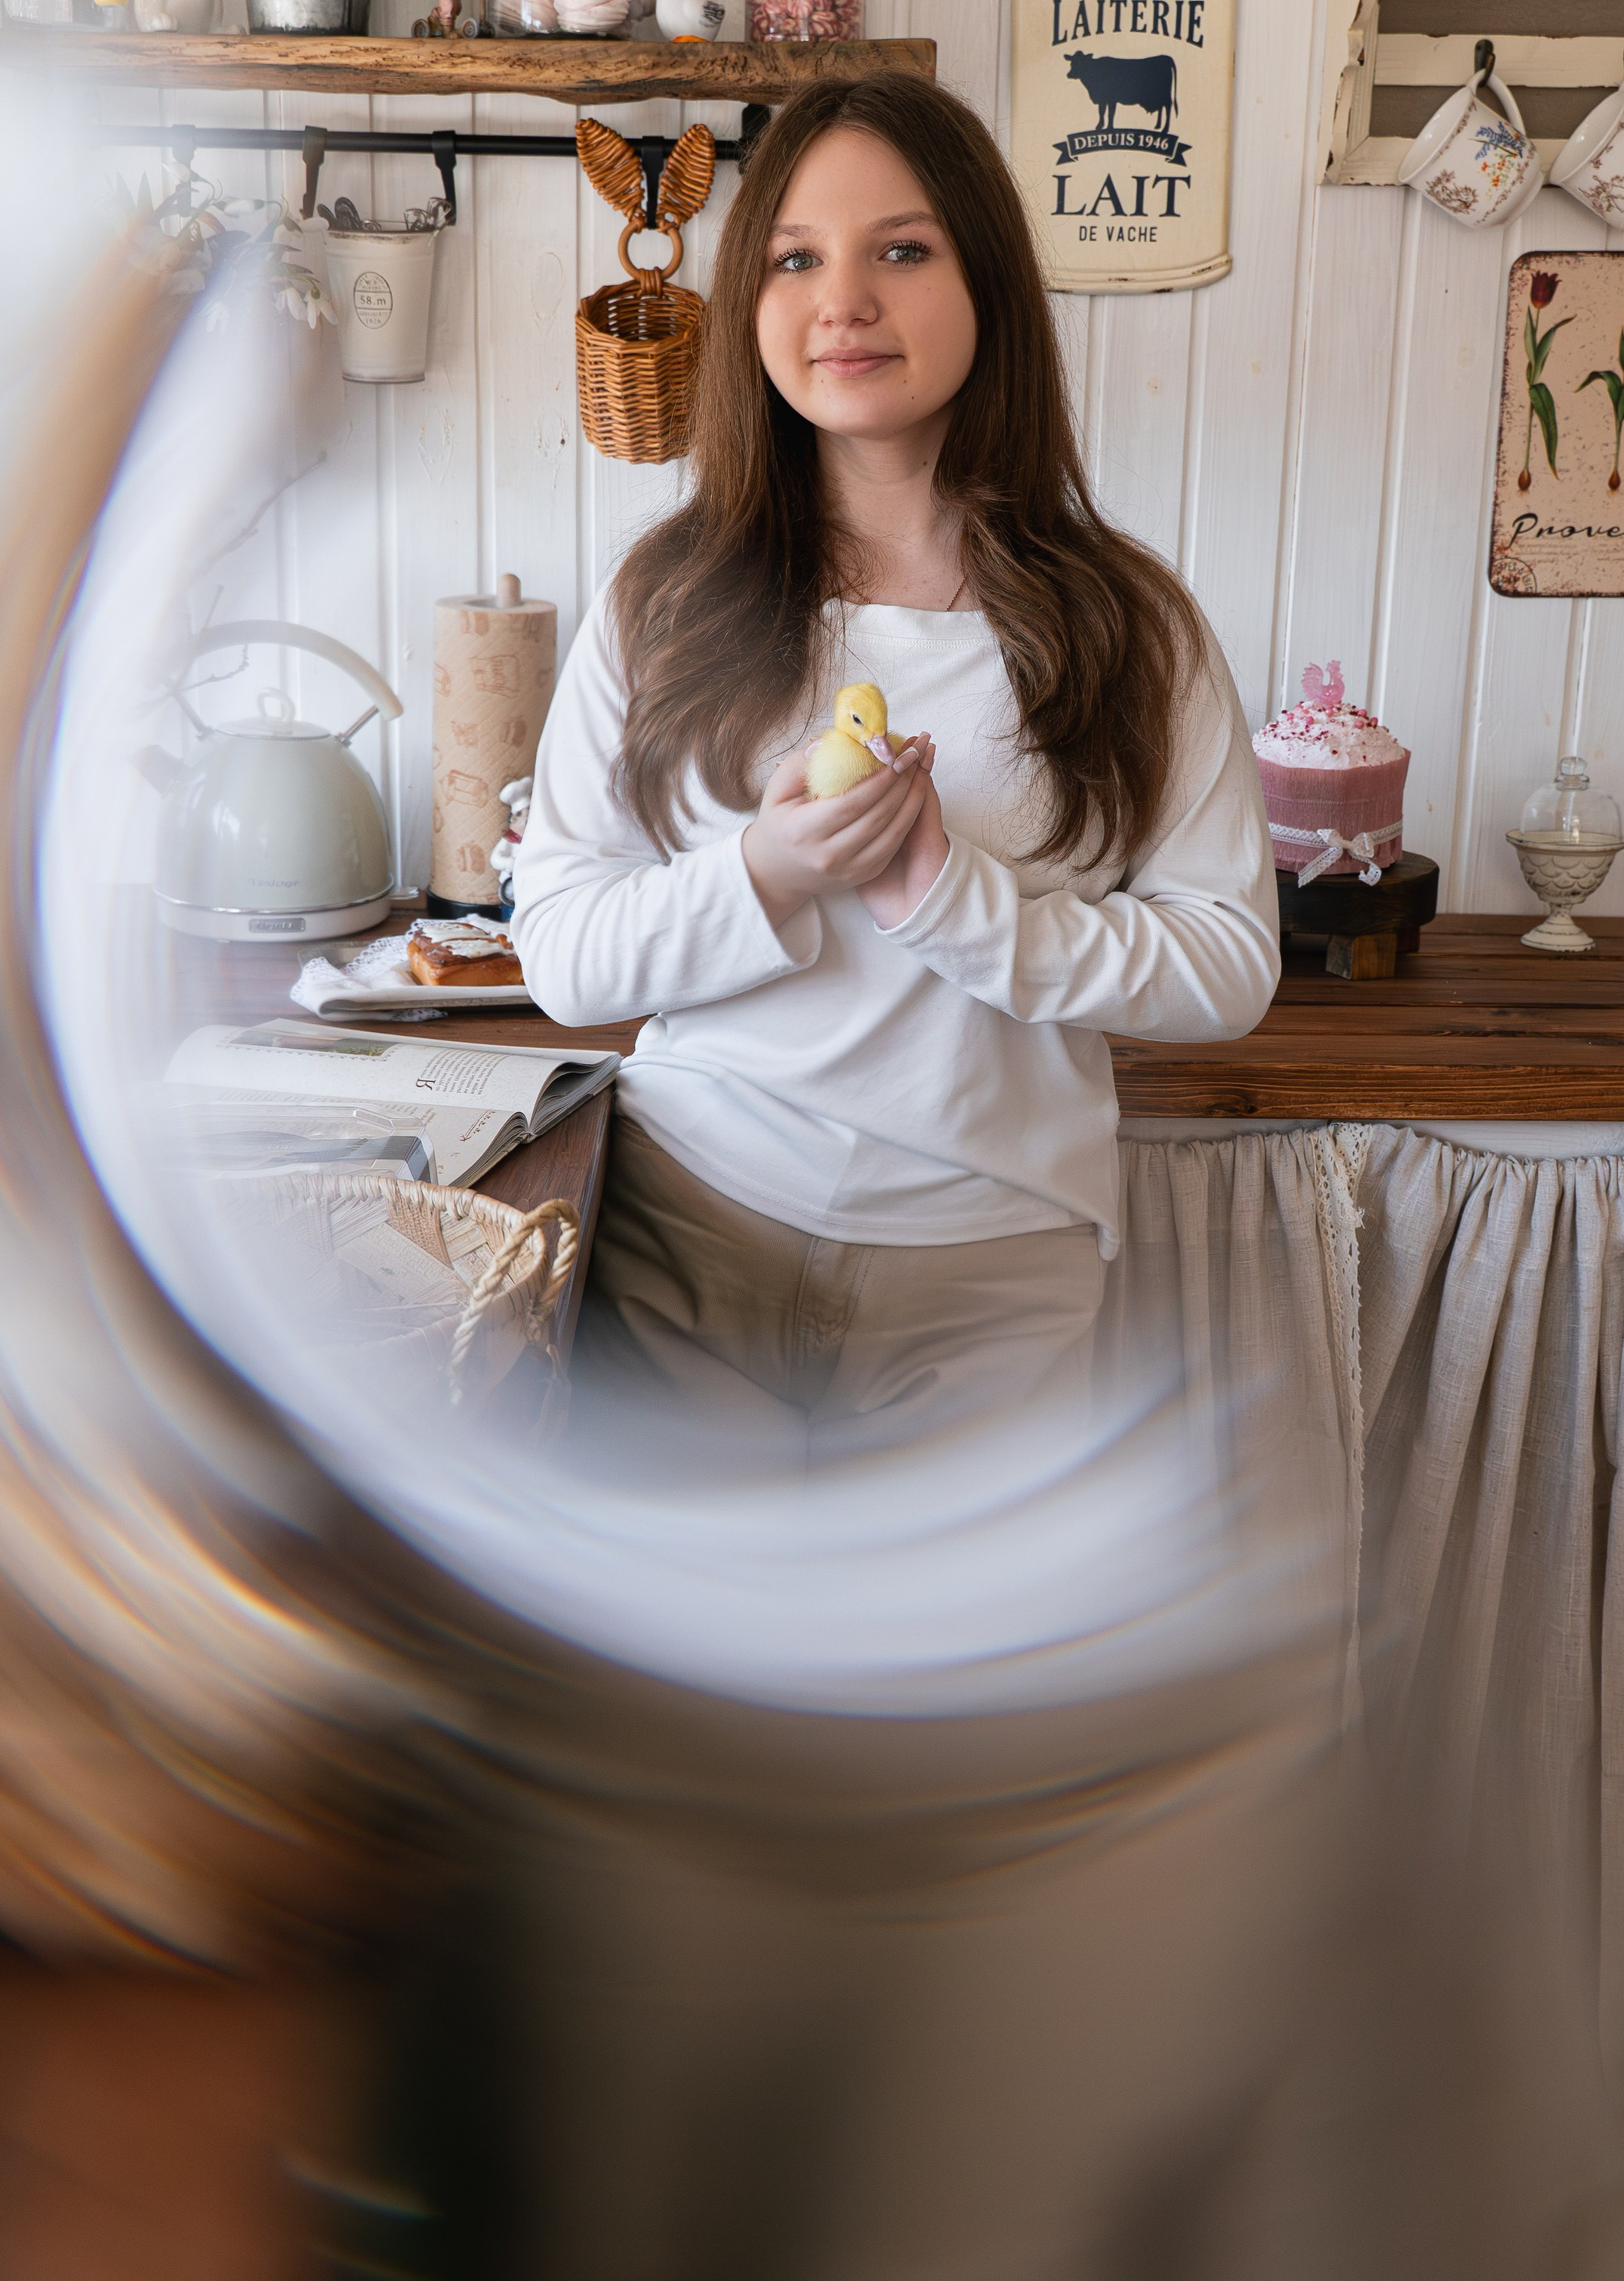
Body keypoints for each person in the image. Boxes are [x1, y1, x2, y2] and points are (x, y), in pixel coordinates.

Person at [512, 72, 1278, 1469]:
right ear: (750, 304)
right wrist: (765, 871)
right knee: (690, 1684)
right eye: (797, 257)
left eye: (902, 250)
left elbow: (1229, 963)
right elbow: (561, 948)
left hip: (988, 1281)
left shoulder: (1124, 626)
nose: (843, 299)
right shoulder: (668, 599)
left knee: (933, 1694)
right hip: (688, 1224)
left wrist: (951, 902)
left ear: (987, 283)